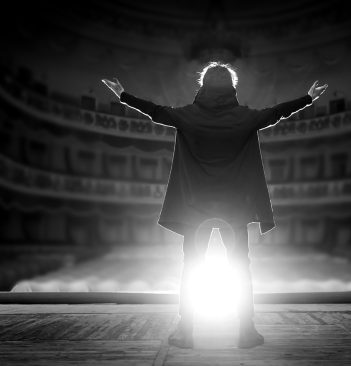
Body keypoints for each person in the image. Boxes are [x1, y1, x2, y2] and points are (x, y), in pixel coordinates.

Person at [102, 62, 327, 348]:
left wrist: (123, 94)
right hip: (234, 207)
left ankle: (186, 333)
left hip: (195, 207)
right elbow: (276, 113)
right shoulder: (244, 118)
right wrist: (308, 98)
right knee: (240, 268)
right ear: (231, 87)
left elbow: (155, 111)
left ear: (203, 86)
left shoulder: (187, 116)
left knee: (192, 267)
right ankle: (246, 332)